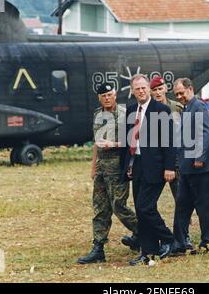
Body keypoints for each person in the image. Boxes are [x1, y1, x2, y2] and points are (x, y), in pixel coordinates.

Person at [77, 83, 139, 264]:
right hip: (102, 169)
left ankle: (144, 232)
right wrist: (93, 166)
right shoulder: (97, 114)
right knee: (100, 208)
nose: (106, 98)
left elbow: (132, 140)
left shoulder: (124, 113)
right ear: (99, 98)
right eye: (103, 95)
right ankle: (98, 247)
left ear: (115, 95)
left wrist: (114, 144)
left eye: (109, 94)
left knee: (119, 205)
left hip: (118, 167)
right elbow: (96, 142)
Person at [123, 74, 176, 266]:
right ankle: (148, 251)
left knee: (145, 207)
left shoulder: (161, 110)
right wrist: (128, 165)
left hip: (156, 166)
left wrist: (170, 167)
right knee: (141, 209)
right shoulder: (130, 111)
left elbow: (170, 141)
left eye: (144, 87)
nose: (142, 91)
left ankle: (169, 238)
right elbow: (128, 142)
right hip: (136, 165)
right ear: (133, 91)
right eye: (137, 88)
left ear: (149, 89)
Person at [172, 78, 209, 253]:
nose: (179, 97)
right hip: (186, 167)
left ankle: (208, 241)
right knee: (182, 205)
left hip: (201, 167)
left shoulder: (198, 106)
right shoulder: (186, 108)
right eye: (176, 94)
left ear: (190, 89)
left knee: (206, 206)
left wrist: (199, 157)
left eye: (182, 93)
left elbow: (206, 132)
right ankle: (179, 242)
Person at [149, 75, 194, 250]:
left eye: (160, 89)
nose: (158, 93)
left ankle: (184, 236)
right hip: (155, 162)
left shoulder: (177, 108)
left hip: (175, 161)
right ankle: (147, 235)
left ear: (165, 89)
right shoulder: (148, 110)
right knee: (147, 202)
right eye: (154, 90)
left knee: (181, 200)